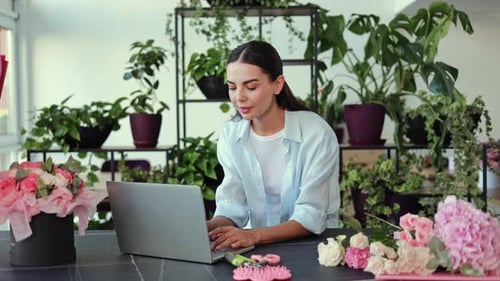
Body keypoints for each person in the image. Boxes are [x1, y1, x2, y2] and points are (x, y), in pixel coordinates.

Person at [207, 40, 340, 250]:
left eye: (251, 87)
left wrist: (253, 236)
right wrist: (207, 228)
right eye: (232, 87)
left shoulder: (315, 133)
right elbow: (233, 208)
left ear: (277, 84)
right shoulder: (231, 136)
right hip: (256, 249)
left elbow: (311, 214)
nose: (239, 97)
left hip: (313, 248)